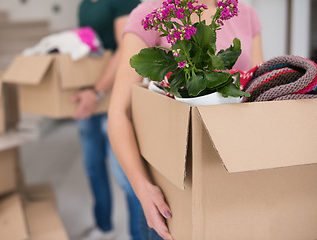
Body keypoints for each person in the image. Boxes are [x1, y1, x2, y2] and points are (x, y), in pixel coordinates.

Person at [107, 0, 264, 239]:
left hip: (232, 173)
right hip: (170, 185)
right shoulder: (151, 13)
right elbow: (118, 113)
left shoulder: (246, 13)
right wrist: (143, 189)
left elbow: (257, 87)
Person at [71, 0, 141, 239]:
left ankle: (138, 235)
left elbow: (126, 47)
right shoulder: (83, 6)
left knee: (126, 175)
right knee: (93, 168)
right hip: (88, 96)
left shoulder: (122, 1)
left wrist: (97, 91)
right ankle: (103, 228)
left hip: (112, 96)